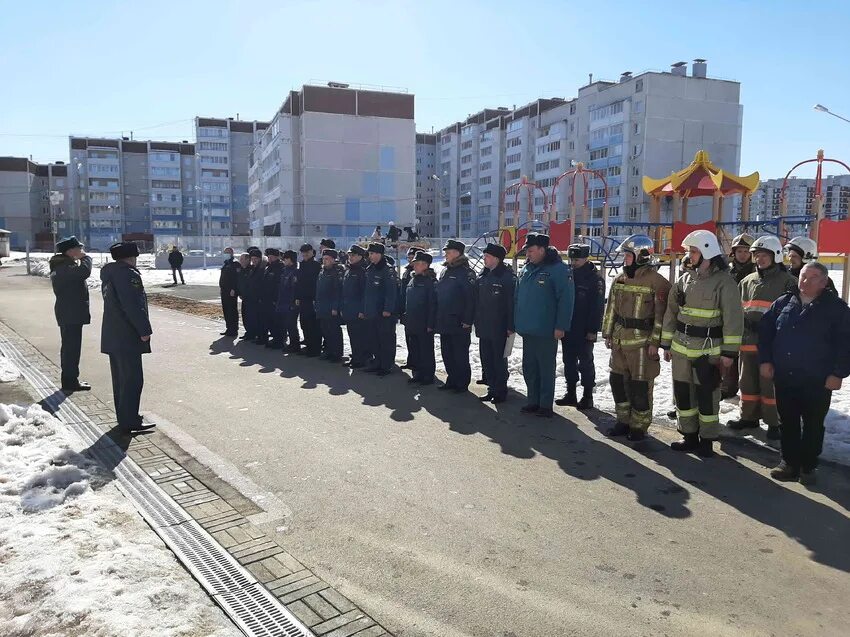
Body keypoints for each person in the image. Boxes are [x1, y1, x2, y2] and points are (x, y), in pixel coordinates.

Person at [760, 262, 850, 484]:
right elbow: (765, 333)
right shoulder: (783, 303)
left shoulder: (836, 309)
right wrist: (766, 360)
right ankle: (788, 463)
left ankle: (808, 466)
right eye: (802, 276)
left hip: (817, 379)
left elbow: (845, 344)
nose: (805, 281)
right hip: (786, 376)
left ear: (823, 281)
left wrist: (838, 373)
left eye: (812, 277)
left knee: (813, 424)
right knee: (788, 422)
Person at [660, 230, 743, 457]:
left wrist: (729, 352)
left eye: (694, 251)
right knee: (683, 394)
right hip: (680, 349)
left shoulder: (724, 283)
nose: (690, 255)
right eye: (690, 251)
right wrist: (666, 344)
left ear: (707, 251)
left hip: (708, 351)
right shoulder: (684, 280)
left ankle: (706, 440)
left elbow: (733, 319)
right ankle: (688, 436)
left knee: (707, 396)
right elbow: (671, 314)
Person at [600, 235, 671, 441]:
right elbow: (611, 308)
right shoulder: (620, 278)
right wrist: (608, 333)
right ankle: (623, 421)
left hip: (642, 344)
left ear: (641, 256)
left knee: (640, 386)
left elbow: (661, 316)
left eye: (628, 255)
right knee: (618, 382)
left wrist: (655, 343)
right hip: (620, 340)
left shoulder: (658, 282)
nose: (625, 259)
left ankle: (639, 427)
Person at [727, 236, 797, 439]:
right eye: (757, 256)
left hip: (772, 345)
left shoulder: (788, 282)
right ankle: (748, 417)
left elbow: (792, 314)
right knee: (746, 383)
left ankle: (775, 423)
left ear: (775, 256)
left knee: (770, 386)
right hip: (748, 342)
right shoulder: (747, 281)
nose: (759, 260)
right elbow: (737, 310)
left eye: (764, 256)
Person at [514, 233, 574, 418]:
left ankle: (545, 404)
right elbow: (517, 297)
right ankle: (533, 400)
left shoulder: (558, 270)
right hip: (527, 328)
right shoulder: (526, 269)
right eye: (527, 251)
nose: (528, 254)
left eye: (531, 251)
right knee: (529, 367)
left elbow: (566, 300)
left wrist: (561, 326)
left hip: (546, 329)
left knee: (545, 368)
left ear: (542, 249)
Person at [100, 241, 154, 434]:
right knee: (132, 379)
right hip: (127, 335)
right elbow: (133, 305)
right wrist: (144, 330)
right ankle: (130, 420)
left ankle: (125, 417)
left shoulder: (110, 274)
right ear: (131, 257)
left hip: (113, 335)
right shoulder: (127, 275)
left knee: (121, 380)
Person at [556, 243, 604, 410]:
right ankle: (571, 393)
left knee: (585, 362)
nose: (573, 262)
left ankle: (587, 395)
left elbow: (597, 307)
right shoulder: (568, 274)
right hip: (569, 326)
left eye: (577, 259)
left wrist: (592, 330)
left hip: (584, 328)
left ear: (586, 258)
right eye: (571, 259)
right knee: (568, 361)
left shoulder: (594, 279)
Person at [49, 236, 93, 393]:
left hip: (69, 313)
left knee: (70, 348)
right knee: (71, 349)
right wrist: (86, 258)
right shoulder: (63, 267)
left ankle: (70, 379)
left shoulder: (63, 265)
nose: (81, 251)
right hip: (70, 314)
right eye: (78, 249)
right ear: (70, 251)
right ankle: (70, 382)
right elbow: (84, 272)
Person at [474, 243, 515, 403]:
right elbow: (477, 302)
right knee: (486, 359)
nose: (484, 259)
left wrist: (511, 326)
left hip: (500, 327)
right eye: (484, 256)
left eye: (488, 256)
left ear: (497, 258)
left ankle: (500, 390)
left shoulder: (506, 277)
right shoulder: (482, 276)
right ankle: (491, 388)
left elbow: (511, 303)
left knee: (498, 360)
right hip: (484, 325)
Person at [435, 239, 476, 393]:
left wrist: (467, 320)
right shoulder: (445, 271)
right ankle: (451, 379)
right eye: (446, 252)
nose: (446, 255)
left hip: (459, 321)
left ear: (458, 253)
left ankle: (462, 383)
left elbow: (470, 298)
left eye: (449, 252)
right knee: (447, 353)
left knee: (460, 354)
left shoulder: (466, 272)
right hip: (445, 319)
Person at [721, 233, 756, 398]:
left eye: (746, 251)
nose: (743, 254)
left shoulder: (757, 273)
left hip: (749, 323)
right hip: (728, 320)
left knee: (747, 359)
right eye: (739, 251)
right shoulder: (726, 272)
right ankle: (728, 387)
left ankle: (747, 389)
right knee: (729, 354)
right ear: (733, 253)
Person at [362, 242, 398, 376]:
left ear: (380, 254)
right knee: (374, 338)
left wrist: (388, 308)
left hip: (383, 312)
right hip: (372, 310)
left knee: (385, 339)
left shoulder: (387, 269)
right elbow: (367, 292)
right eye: (369, 253)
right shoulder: (370, 269)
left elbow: (391, 292)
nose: (370, 256)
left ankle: (386, 365)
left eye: (372, 253)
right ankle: (377, 362)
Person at [403, 251, 438, 385]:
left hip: (424, 322)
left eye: (418, 264)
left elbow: (432, 304)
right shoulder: (413, 279)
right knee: (415, 350)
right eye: (414, 263)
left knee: (426, 351)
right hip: (412, 321)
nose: (415, 266)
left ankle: (427, 376)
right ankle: (418, 374)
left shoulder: (430, 281)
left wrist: (430, 323)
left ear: (426, 265)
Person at [315, 249, 345, 362]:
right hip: (322, 306)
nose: (325, 261)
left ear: (333, 259)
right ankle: (329, 351)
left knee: (334, 331)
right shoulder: (322, 271)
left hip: (331, 307)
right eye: (323, 259)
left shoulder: (336, 272)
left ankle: (337, 353)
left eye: (327, 259)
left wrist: (335, 307)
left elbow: (337, 291)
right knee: (326, 331)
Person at [342, 245, 369, 368]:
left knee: (359, 336)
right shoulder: (349, 269)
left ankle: (360, 359)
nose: (350, 257)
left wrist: (362, 310)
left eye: (353, 255)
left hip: (357, 310)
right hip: (349, 308)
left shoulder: (362, 271)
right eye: (349, 255)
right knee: (352, 335)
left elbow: (365, 293)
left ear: (360, 256)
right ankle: (356, 357)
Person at [294, 243, 321, 356]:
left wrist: (315, 298)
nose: (304, 254)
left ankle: (315, 348)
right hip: (303, 299)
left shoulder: (316, 265)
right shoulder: (302, 265)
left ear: (311, 252)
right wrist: (297, 296)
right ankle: (308, 345)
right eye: (303, 252)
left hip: (312, 299)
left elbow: (316, 284)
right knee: (304, 323)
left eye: (307, 252)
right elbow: (298, 282)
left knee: (312, 325)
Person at [258, 248, 284, 347]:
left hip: (274, 300)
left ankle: (279, 341)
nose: (269, 259)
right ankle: (274, 339)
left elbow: (279, 285)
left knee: (277, 321)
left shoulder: (280, 267)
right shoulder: (269, 267)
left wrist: (275, 299)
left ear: (277, 257)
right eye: (268, 257)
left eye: (271, 257)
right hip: (267, 299)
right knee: (269, 321)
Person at [399, 246, 419, 372]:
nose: (410, 260)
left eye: (413, 258)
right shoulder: (407, 272)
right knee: (409, 338)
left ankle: (417, 363)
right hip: (407, 310)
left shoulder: (421, 274)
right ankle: (411, 360)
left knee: (417, 341)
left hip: (416, 312)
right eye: (409, 258)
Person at [276, 250, 300, 352]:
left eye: (286, 258)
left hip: (290, 303)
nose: (284, 260)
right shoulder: (286, 270)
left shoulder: (295, 272)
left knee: (291, 324)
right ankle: (290, 343)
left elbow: (294, 289)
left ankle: (295, 344)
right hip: (283, 301)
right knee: (286, 324)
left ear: (290, 259)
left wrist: (292, 303)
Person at [239, 247, 264, 340]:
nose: (254, 261)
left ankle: (255, 334)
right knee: (247, 316)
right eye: (252, 259)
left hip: (256, 298)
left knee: (255, 317)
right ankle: (250, 332)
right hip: (248, 297)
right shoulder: (252, 269)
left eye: (255, 259)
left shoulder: (261, 269)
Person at [219, 247, 241, 337]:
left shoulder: (235, 263)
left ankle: (234, 329)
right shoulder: (226, 263)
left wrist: (234, 289)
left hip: (231, 291)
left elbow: (236, 278)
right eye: (225, 252)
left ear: (232, 253)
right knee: (226, 310)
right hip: (224, 290)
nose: (225, 254)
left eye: (227, 252)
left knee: (232, 310)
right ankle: (229, 328)